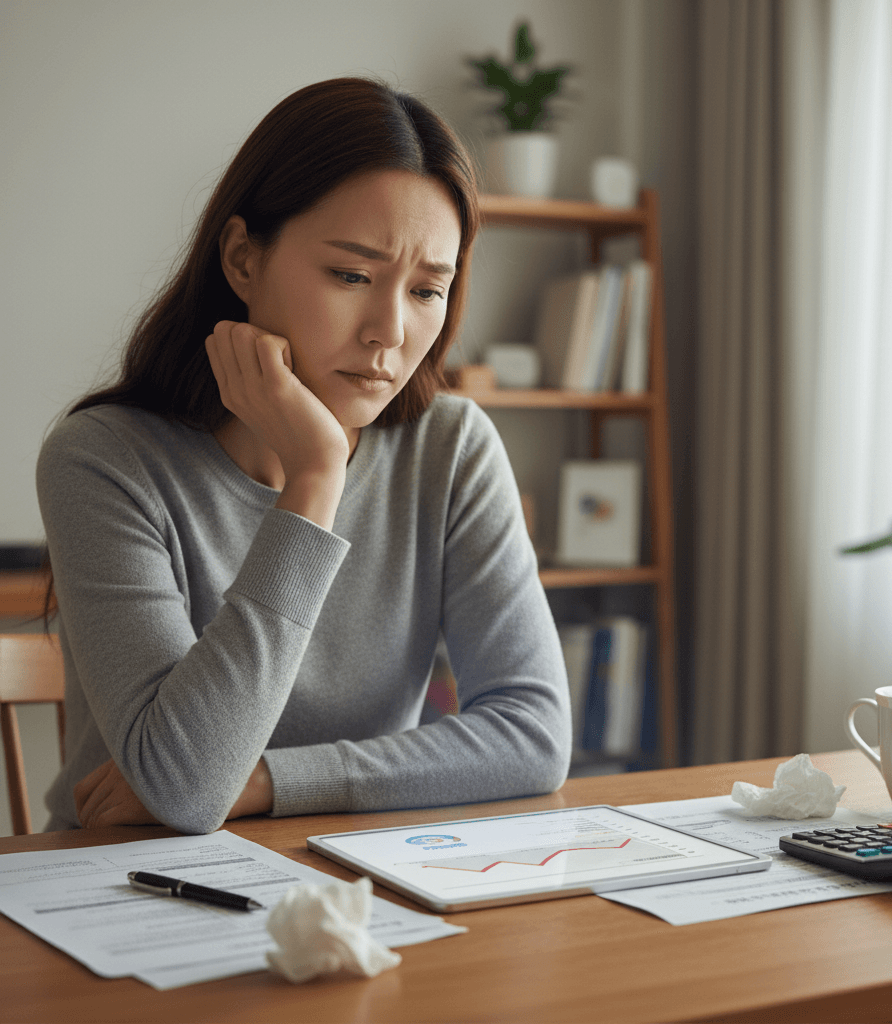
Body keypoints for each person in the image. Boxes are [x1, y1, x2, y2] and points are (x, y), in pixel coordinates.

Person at [36, 78, 571, 835]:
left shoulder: (451, 447)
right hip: (131, 879)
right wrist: (317, 476)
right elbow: (186, 787)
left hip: (355, 875)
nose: (389, 331)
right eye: (352, 275)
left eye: (427, 291)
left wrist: (268, 782)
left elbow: (534, 736)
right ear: (242, 260)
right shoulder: (104, 460)